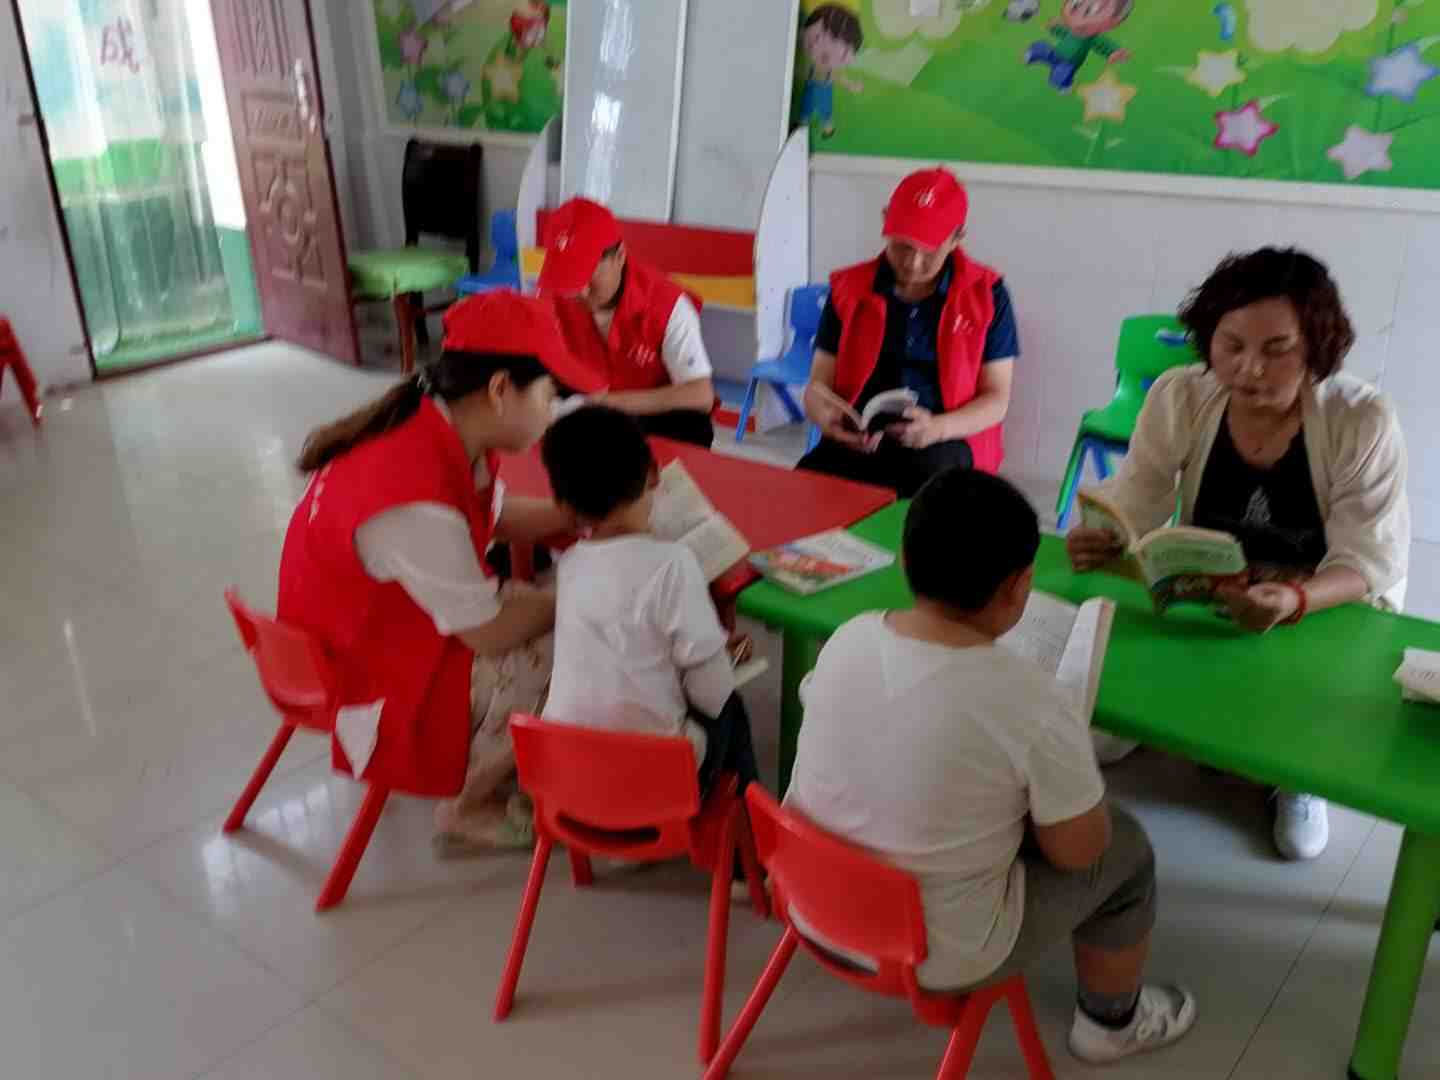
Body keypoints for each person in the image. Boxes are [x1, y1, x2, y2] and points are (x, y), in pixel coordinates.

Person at [786, 468, 1196, 1065]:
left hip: (810, 902)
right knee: (1125, 848)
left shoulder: (849, 638)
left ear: (906, 560)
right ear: (1019, 587)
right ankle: (1110, 1023)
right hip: (939, 953)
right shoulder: (1030, 697)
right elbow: (1081, 853)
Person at [1066, 248, 1410, 861]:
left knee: (1298, 804)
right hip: (1209, 591)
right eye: (1232, 345)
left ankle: (1297, 776)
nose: (1250, 369)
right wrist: (1105, 532)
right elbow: (1138, 493)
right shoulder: (1181, 395)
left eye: (1277, 349)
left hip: (1316, 604)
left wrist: (1295, 598)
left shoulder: (1361, 420)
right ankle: (1163, 708)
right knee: (1100, 729)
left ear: (1317, 345)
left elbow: (1367, 562)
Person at [277, 291, 605, 857]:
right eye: (550, 394)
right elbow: (491, 632)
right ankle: (468, 804)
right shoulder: (413, 493)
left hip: (378, 635)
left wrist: (585, 514)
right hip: (370, 681)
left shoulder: (440, 427)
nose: (553, 410)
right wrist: (581, 590)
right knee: (586, 640)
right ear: (500, 390)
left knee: (545, 605)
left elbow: (492, 516)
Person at [538, 405, 759, 794]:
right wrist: (718, 659)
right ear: (654, 474)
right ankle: (744, 816)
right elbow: (711, 692)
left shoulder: (569, 565)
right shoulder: (674, 563)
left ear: (565, 507)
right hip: (651, 782)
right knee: (732, 708)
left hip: (569, 772)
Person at [799, 167, 1018, 497]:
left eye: (929, 250)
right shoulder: (849, 288)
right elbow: (819, 386)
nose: (913, 263)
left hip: (946, 439)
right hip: (863, 438)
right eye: (902, 246)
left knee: (926, 499)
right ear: (885, 221)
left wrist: (938, 428)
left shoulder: (987, 294)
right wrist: (827, 417)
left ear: (957, 238)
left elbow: (996, 399)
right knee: (804, 489)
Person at [539, 197, 718, 447]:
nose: (580, 291)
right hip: (581, 407)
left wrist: (602, 404)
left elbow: (700, 395)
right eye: (570, 277)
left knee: (694, 426)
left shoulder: (667, 306)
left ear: (620, 256)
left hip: (644, 415)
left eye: (587, 276)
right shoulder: (554, 295)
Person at [1024, 0, 1133, 93]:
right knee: (1040, 46)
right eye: (1076, 4)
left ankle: (1063, 84)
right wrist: (1054, 27)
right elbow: (1063, 32)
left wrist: (1115, 52)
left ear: (1112, 23)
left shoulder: (1091, 37)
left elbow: (1103, 45)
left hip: (1068, 63)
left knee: (1060, 76)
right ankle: (1032, 55)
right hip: (1054, 53)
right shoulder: (1072, 30)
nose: (1077, 13)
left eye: (1090, 10)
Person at [798, 3, 865, 140]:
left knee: (825, 112)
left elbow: (839, 78)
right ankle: (803, 124)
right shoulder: (810, 66)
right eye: (814, 40)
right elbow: (802, 72)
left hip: (825, 90)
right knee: (806, 108)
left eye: (826, 55)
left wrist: (851, 85)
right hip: (810, 87)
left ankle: (828, 128)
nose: (816, 46)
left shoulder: (830, 71)